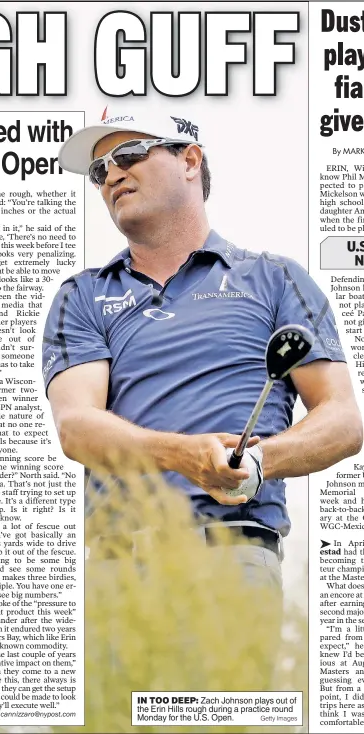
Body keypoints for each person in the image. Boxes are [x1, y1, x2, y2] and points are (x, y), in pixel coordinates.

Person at [41, 105, 363, 591]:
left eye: (129, 153)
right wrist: (181, 454)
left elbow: (342, 419)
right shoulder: (82, 294)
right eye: (99, 169)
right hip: (117, 566)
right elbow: (76, 428)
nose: (112, 174)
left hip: (232, 556)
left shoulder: (275, 279)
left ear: (190, 161)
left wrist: (260, 462)